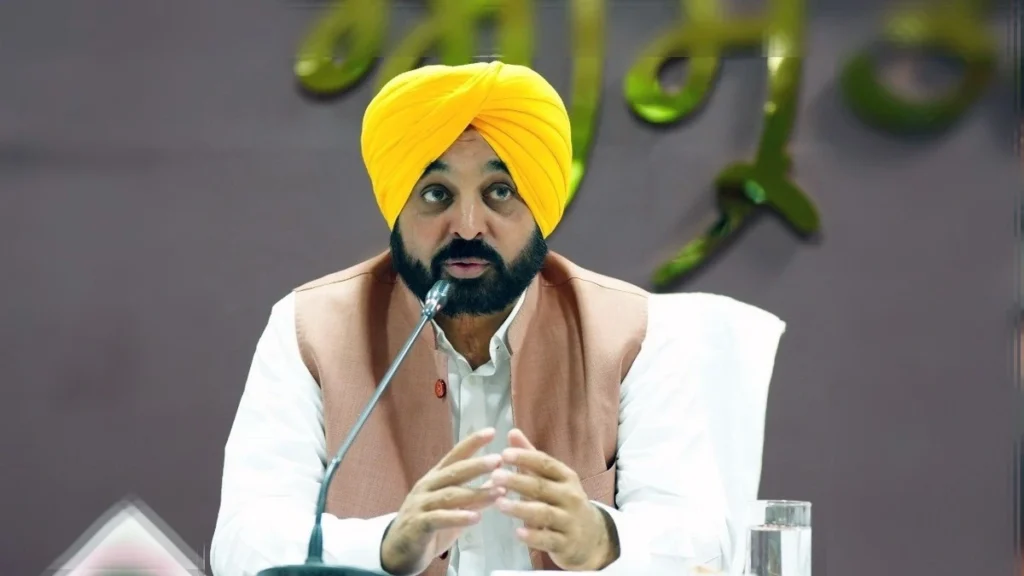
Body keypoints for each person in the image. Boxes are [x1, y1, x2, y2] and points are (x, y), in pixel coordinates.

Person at [210, 61, 786, 576]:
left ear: (540, 206)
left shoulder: (632, 333)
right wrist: (386, 546)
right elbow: (242, 543)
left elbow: (700, 541)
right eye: (435, 193)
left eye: (500, 191)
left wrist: (601, 540)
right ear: (397, 207)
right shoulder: (311, 328)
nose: (467, 225)